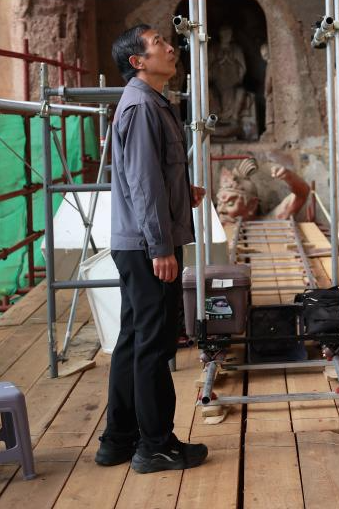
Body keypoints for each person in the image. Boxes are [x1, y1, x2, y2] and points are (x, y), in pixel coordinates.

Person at [96, 24, 208, 473]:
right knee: (155, 345)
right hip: (148, 247)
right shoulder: (143, 106)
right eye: (158, 42)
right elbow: (143, 183)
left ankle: (118, 440)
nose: (169, 47)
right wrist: (161, 247)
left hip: (138, 242)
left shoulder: (147, 102)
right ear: (138, 62)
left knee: (134, 339)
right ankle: (155, 445)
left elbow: (150, 176)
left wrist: (183, 191)